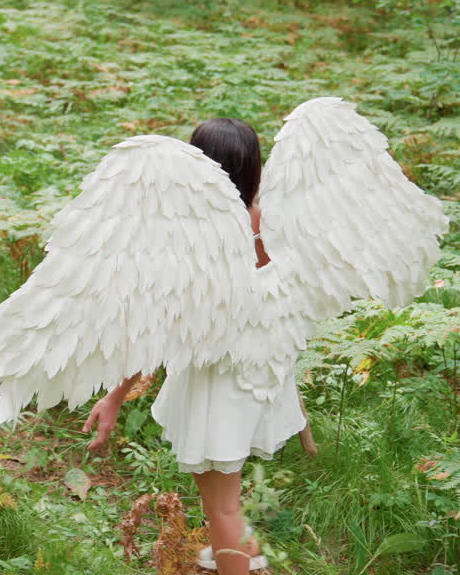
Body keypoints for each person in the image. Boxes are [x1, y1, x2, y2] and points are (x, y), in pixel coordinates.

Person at [82, 117, 314, 575]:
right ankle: (243, 558)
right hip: (256, 372)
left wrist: (115, 395)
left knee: (221, 507)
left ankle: (236, 562)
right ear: (253, 168)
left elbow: (155, 328)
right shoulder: (270, 224)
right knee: (224, 500)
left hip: (215, 381)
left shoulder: (189, 240)